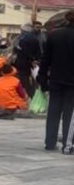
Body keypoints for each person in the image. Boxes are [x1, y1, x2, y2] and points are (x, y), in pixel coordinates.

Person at [37, 10, 74, 153]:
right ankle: (67, 144)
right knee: (69, 113)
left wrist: (42, 78)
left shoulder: (54, 35)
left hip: (55, 79)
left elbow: (45, 59)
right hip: (72, 82)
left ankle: (50, 142)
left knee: (53, 111)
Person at [14, 23, 43, 99]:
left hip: (23, 62)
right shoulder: (35, 38)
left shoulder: (22, 39)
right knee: (34, 80)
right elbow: (38, 52)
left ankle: (30, 95)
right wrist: (35, 60)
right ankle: (35, 95)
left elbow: (21, 51)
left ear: (23, 30)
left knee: (24, 80)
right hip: (33, 63)